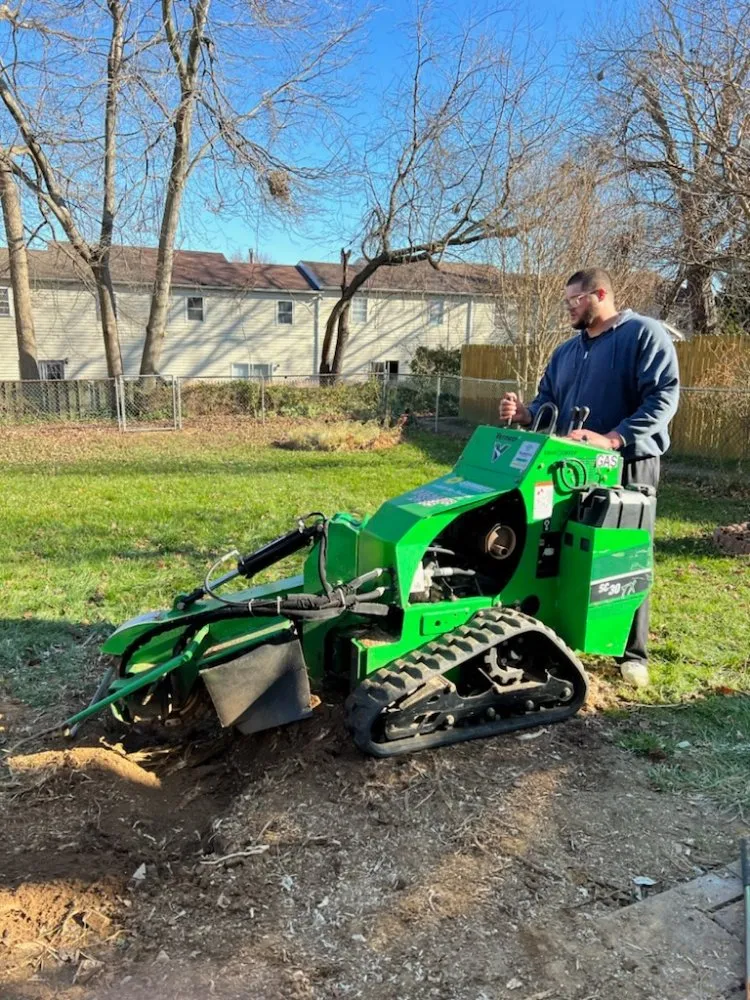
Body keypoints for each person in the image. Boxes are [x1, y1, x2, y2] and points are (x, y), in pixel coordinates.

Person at [499, 267, 680, 686]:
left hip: (628, 463)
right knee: (565, 549)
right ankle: (567, 634)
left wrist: (614, 438)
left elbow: (663, 396)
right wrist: (525, 413)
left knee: (624, 555)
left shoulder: (643, 335)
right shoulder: (566, 351)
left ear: (600, 294)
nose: (568, 307)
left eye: (574, 300)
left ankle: (631, 653)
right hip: (572, 468)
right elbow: (548, 402)